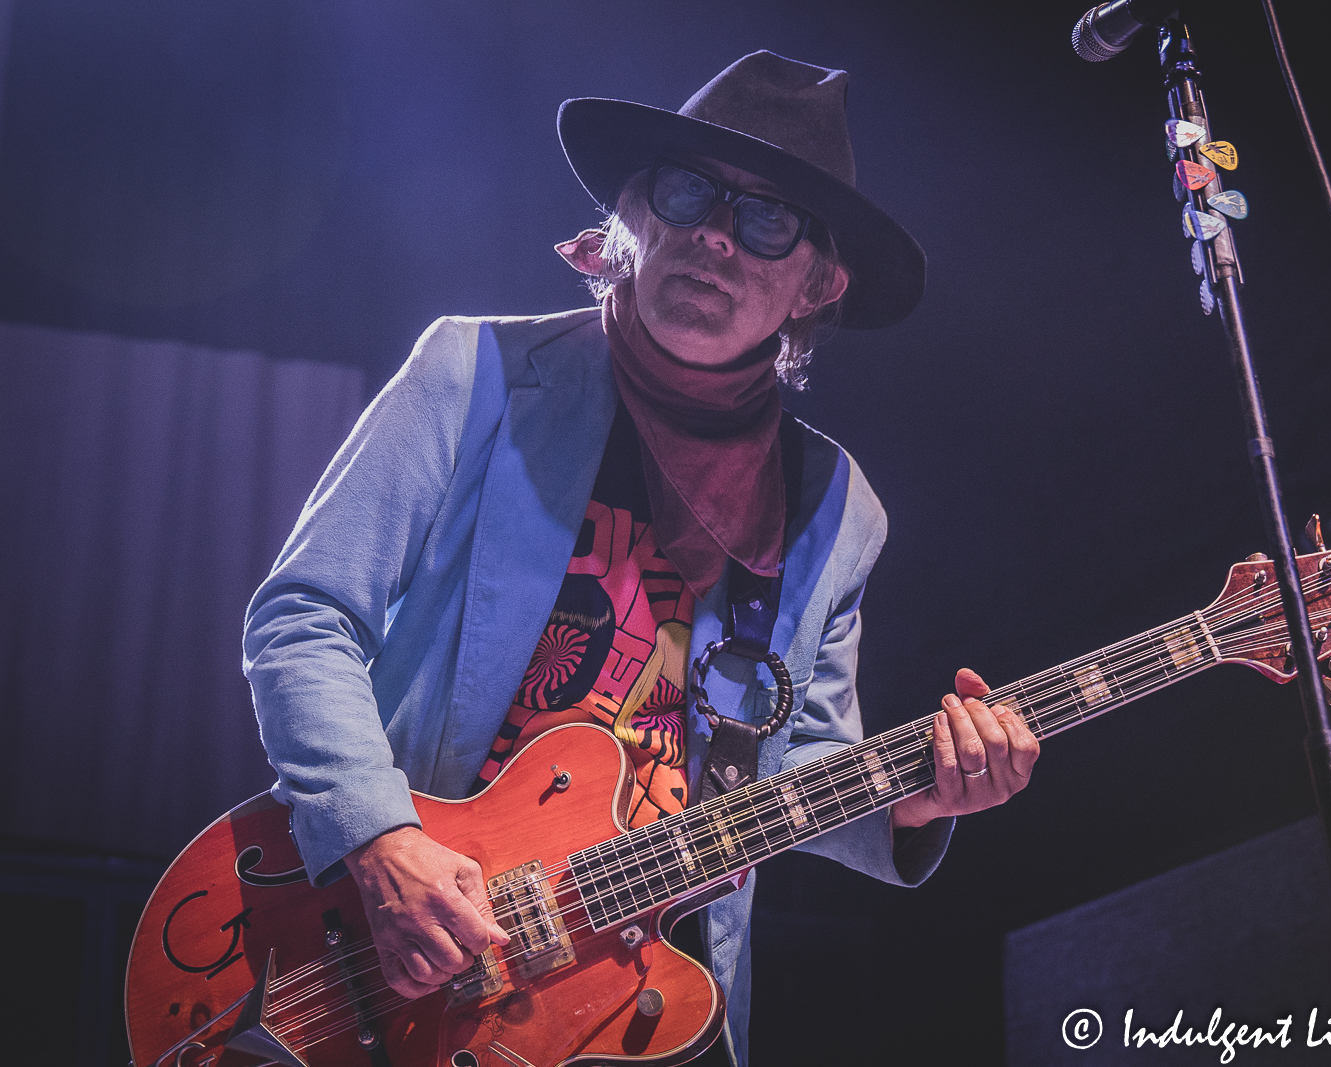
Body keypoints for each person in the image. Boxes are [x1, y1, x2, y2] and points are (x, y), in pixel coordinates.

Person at [243, 50, 1039, 1065]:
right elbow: (304, 616)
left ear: (817, 283)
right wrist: (376, 837)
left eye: (766, 219)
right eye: (687, 189)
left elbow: (798, 757)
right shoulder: (472, 373)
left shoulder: (839, 508)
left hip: (650, 1001)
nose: (714, 232)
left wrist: (920, 795)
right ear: (629, 210)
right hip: (407, 956)